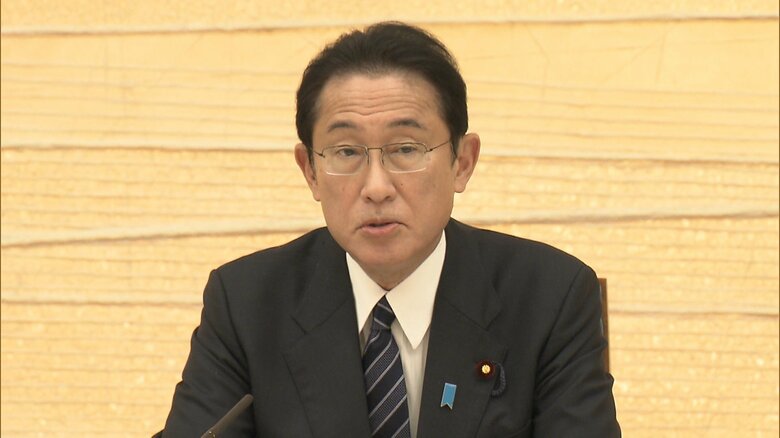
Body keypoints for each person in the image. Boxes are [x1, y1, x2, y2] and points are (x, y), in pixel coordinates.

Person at [158, 21, 620, 437]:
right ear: (310, 171)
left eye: (406, 149)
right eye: (346, 152)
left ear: (462, 162)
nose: (376, 188)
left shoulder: (550, 298)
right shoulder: (246, 304)